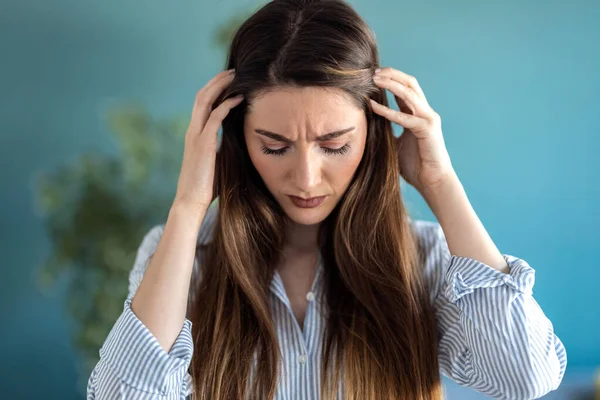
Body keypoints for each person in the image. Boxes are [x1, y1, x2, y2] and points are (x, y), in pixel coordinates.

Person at [86, 0, 567, 399]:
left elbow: (523, 378)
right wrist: (189, 206)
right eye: (274, 147)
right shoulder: (182, 258)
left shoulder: (425, 260)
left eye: (335, 145)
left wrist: (440, 184)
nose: (307, 177)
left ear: (374, 134)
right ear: (236, 138)